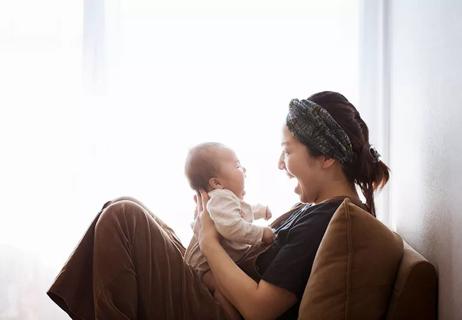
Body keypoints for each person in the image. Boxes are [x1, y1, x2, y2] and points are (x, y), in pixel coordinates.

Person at [47, 91, 390, 320]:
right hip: (217, 296)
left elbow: (259, 308)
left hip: (224, 312)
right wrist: (206, 229)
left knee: (123, 219)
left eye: (288, 151)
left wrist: (209, 242)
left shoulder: (329, 220)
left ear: (326, 156)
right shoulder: (319, 213)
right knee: (123, 205)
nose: (280, 164)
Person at [183, 142, 275, 320]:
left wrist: (261, 211)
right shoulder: (221, 198)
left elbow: (242, 212)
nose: (244, 169)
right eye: (237, 165)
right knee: (222, 289)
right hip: (201, 268)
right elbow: (231, 227)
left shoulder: (224, 199)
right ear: (216, 183)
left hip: (207, 262)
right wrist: (260, 233)